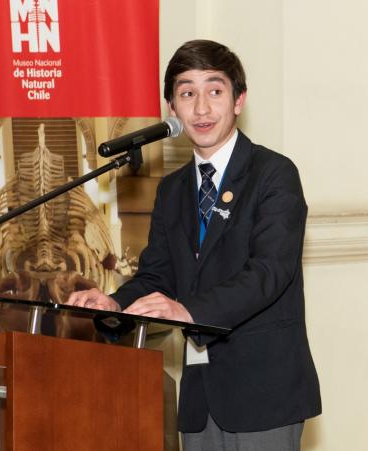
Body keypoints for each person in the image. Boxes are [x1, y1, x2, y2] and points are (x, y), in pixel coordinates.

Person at [67, 40, 321, 450]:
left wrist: (188, 311)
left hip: (265, 393)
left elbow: (270, 273)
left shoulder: (273, 174)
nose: (201, 108)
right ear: (172, 108)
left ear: (239, 100)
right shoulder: (172, 190)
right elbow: (158, 276)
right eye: (187, 93)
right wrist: (115, 304)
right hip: (200, 395)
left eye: (214, 91)